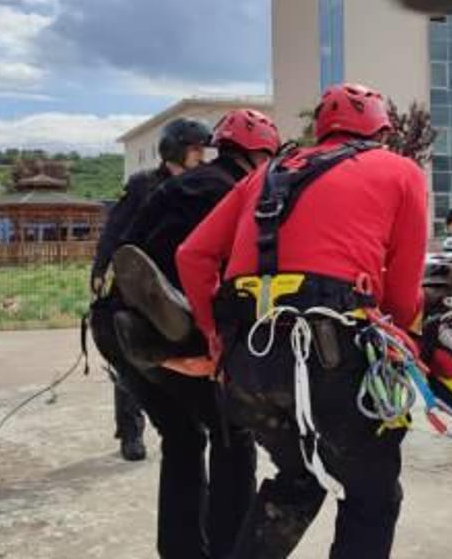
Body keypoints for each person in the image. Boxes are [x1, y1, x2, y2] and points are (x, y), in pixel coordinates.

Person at [177, 83, 428, 559]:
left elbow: (192, 255)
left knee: (297, 479)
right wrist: (405, 344)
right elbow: (401, 290)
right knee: (372, 495)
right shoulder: (400, 170)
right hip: (334, 356)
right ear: (381, 131)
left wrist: (215, 338)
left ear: (322, 129)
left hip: (250, 361)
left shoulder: (265, 175)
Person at [112, 108, 280, 559]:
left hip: (116, 328)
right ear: (259, 155)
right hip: (165, 330)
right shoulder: (240, 192)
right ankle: (229, 550)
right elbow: (225, 269)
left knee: (183, 437)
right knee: (232, 432)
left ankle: (181, 550)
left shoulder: (173, 186)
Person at [89, 117, 211, 461]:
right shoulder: (144, 185)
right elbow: (114, 231)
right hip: (138, 290)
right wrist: (100, 270)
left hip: (174, 290)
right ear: (176, 150)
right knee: (133, 358)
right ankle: (130, 431)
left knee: (170, 361)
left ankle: (183, 421)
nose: (202, 155)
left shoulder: (199, 186)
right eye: (195, 149)